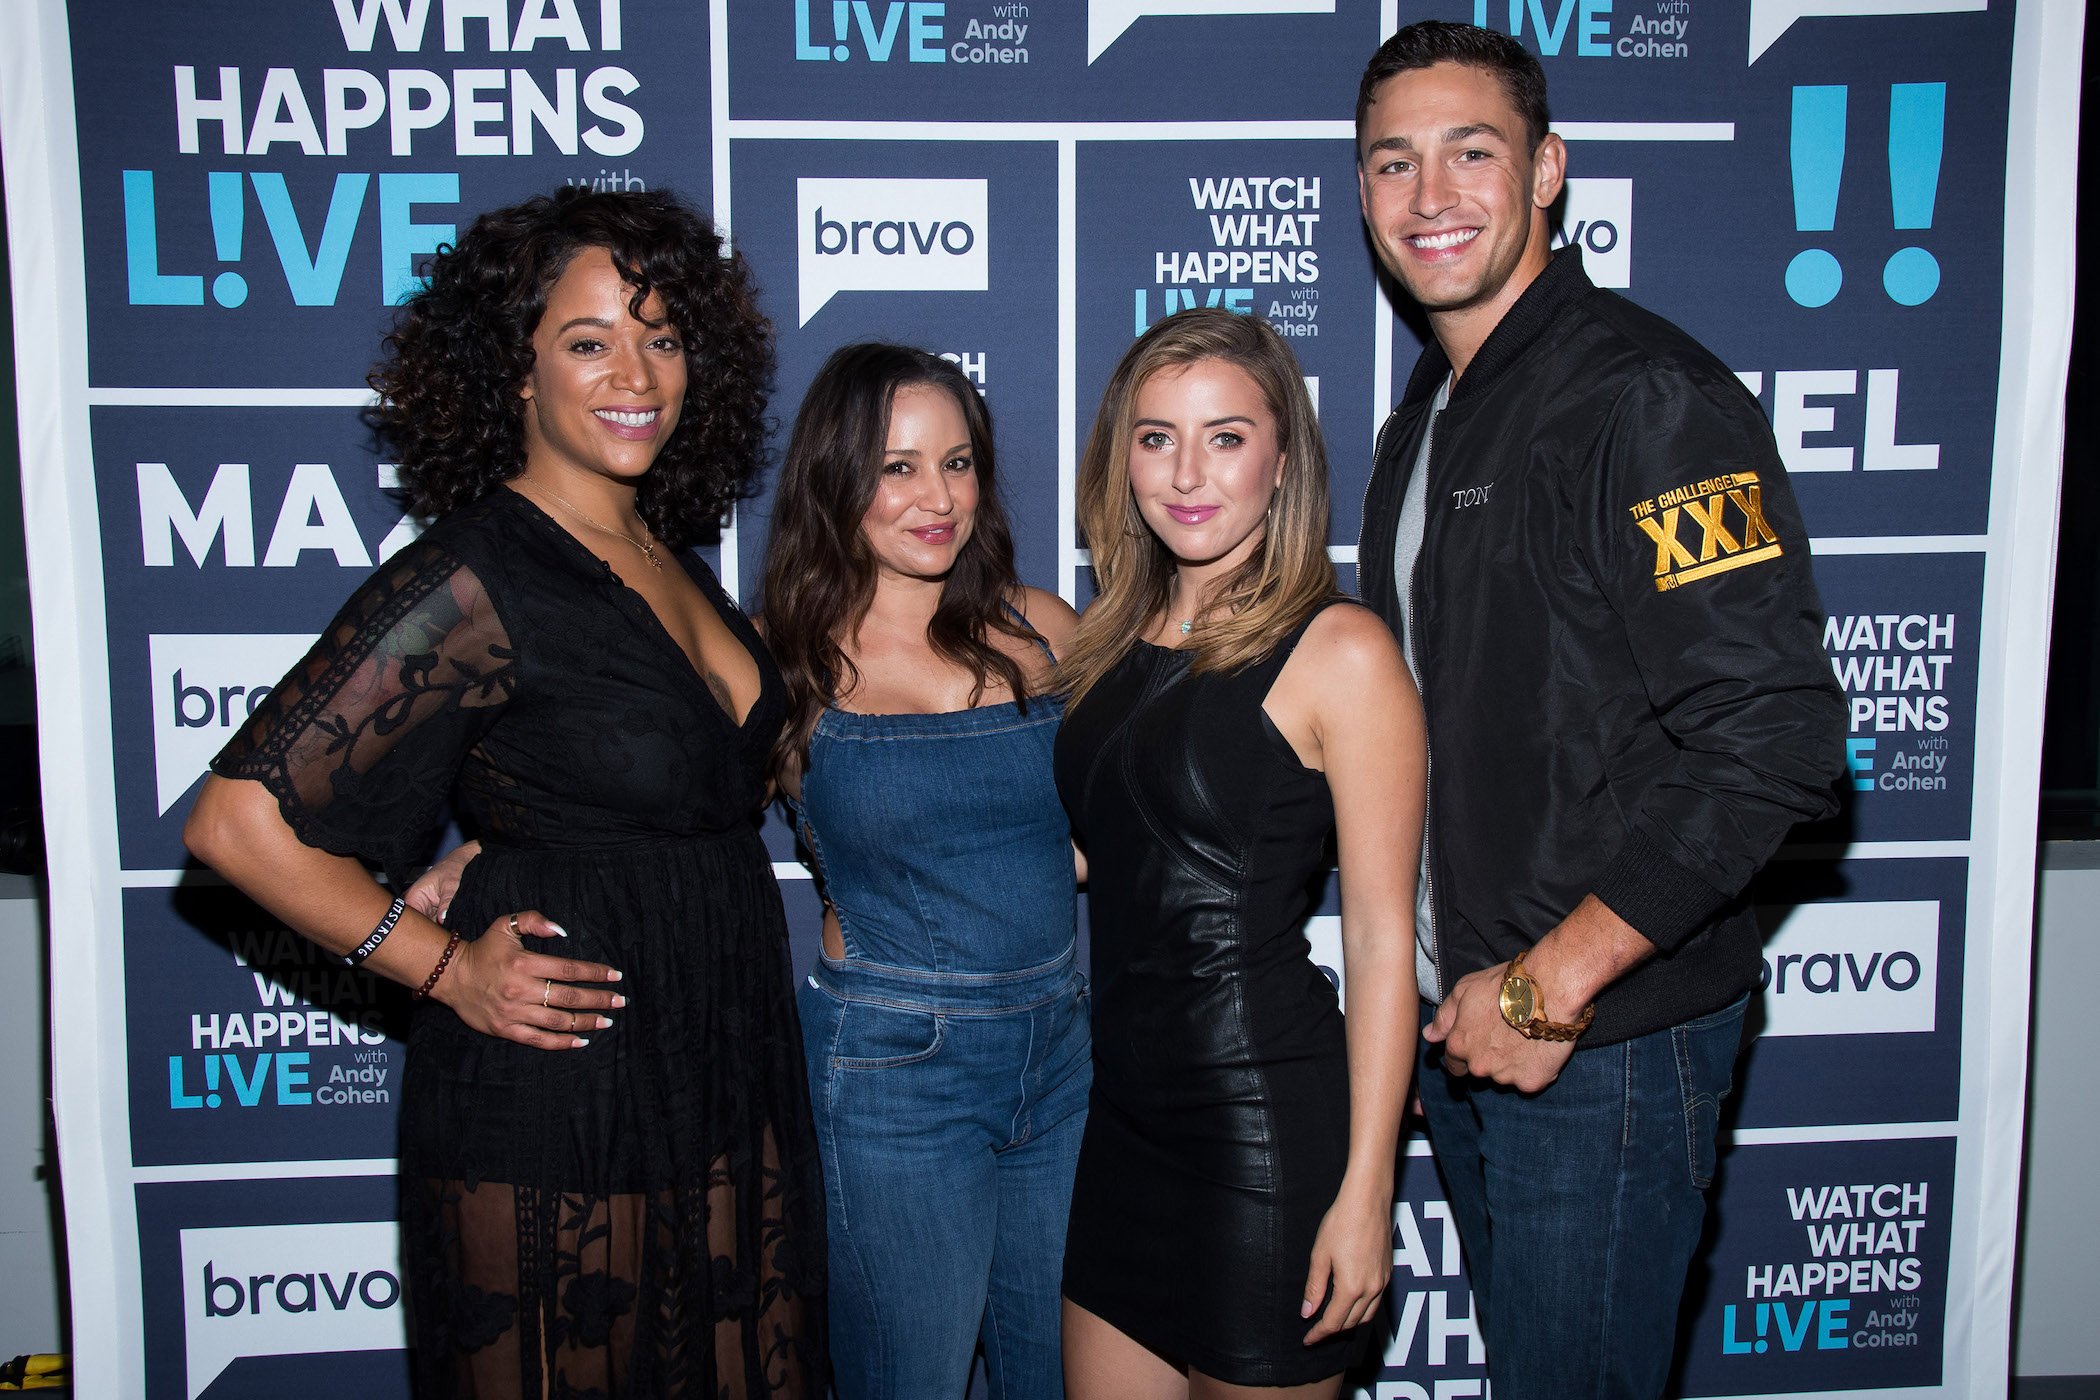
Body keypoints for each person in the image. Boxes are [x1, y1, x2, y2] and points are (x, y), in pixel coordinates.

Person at [183, 187, 826, 1399]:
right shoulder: (474, 572)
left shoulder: (662, 555)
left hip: (720, 1058)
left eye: (664, 335)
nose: (636, 370)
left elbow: (627, 777)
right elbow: (238, 822)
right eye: (589, 340)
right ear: (513, 372)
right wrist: (440, 964)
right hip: (563, 1093)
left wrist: (506, 830)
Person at [1351, 21, 1849, 1397]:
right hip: (1479, 1028)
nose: (1431, 196)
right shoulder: (1434, 415)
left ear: (1550, 170)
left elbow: (1780, 739)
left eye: (1473, 153)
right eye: (1395, 162)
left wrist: (1547, 983)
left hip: (1600, 1043)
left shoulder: (1645, 395)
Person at [1054, 307, 1423, 1398]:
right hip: (1120, 1123)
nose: (1186, 472)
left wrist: (1365, 1191)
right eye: (1156, 434)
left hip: (1262, 1133)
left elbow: (1381, 936)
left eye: (1225, 435)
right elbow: (1115, 856)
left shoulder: (1340, 648)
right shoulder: (1105, 642)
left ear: (1281, 455)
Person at [757, 344, 1091, 1399]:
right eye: (896, 467)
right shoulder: (780, 659)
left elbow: (1134, 805)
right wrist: (489, 852)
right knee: (910, 1380)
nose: (936, 497)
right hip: (894, 1069)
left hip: (1063, 1058)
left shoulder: (1044, 625)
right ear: (836, 479)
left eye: (957, 462)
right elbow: (640, 793)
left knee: (1057, 1377)